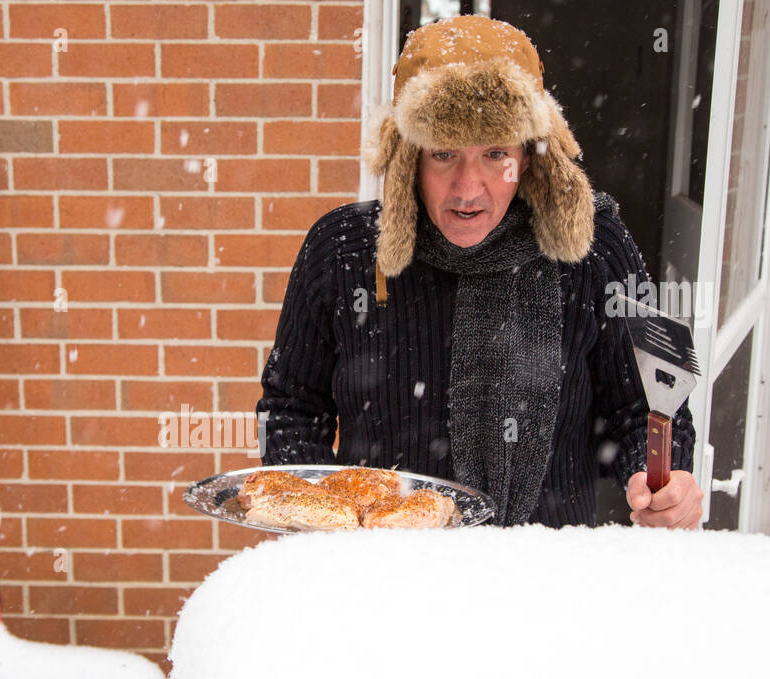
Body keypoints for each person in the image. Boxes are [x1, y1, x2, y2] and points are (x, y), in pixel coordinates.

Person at [257, 15, 704, 529]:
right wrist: (313, 518)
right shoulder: (342, 251)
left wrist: (664, 484)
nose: (468, 189)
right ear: (408, 158)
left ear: (531, 156)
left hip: (540, 573)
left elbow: (650, 408)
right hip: (381, 575)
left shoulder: (594, 248)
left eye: (495, 154)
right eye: (444, 154)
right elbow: (290, 409)